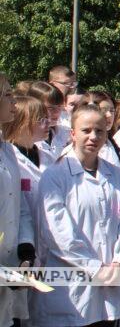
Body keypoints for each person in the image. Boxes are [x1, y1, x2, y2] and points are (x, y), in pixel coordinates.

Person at [34, 104, 120, 327]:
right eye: (86, 130)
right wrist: (95, 268)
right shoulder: (55, 176)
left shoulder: (116, 175)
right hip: (71, 291)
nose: (93, 136)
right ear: (72, 133)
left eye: (99, 131)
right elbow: (57, 233)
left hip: (110, 283)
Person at [0, 76, 35, 327]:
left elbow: (20, 206)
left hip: (10, 265)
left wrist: (25, 246)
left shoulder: (8, 150)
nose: (14, 102)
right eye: (8, 95)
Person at [85, 91, 120, 169]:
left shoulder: (112, 144)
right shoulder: (86, 147)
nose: (109, 115)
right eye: (104, 110)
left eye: (112, 110)